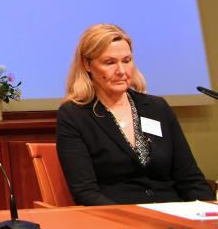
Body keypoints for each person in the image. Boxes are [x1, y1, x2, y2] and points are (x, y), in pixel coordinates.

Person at [56, 24, 213, 205]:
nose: (121, 71)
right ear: (87, 64)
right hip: (118, 214)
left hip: (172, 211)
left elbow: (190, 179)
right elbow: (86, 193)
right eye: (109, 62)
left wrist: (210, 213)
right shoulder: (74, 115)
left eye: (127, 60)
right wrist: (134, 218)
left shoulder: (157, 107)